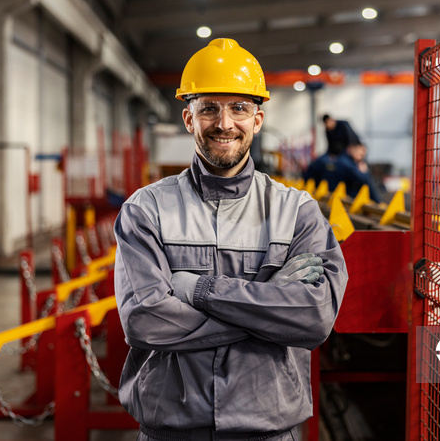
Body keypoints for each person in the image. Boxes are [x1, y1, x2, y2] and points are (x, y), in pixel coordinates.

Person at [114, 38, 348, 441]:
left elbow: (314, 319)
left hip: (268, 428)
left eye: (239, 108)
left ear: (257, 119)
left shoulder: (297, 211)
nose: (224, 123)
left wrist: (198, 290)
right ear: (189, 119)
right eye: (209, 108)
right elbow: (145, 321)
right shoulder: (146, 210)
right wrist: (269, 305)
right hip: (172, 428)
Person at [304, 143, 382, 203]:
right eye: (361, 151)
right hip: (339, 199)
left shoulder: (325, 160)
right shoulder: (347, 164)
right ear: (350, 149)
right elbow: (364, 181)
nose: (362, 155)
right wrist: (365, 172)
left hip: (326, 196)